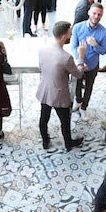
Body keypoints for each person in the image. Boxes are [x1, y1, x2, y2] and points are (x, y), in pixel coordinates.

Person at [37, 21, 87, 150]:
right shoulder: (66, 57)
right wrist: (81, 58)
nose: (71, 35)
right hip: (59, 95)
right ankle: (68, 143)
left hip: (45, 90)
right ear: (64, 37)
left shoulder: (42, 50)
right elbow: (78, 74)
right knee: (65, 121)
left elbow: (41, 68)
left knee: (44, 118)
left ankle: (45, 141)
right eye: (70, 33)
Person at [71, 3, 106, 122]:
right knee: (76, 84)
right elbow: (73, 47)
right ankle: (78, 100)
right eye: (94, 13)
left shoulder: (104, 32)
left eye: (99, 14)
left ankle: (84, 107)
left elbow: (103, 51)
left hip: (93, 65)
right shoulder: (77, 27)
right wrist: (80, 60)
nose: (96, 16)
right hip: (79, 63)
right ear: (89, 12)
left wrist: (95, 45)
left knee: (89, 87)